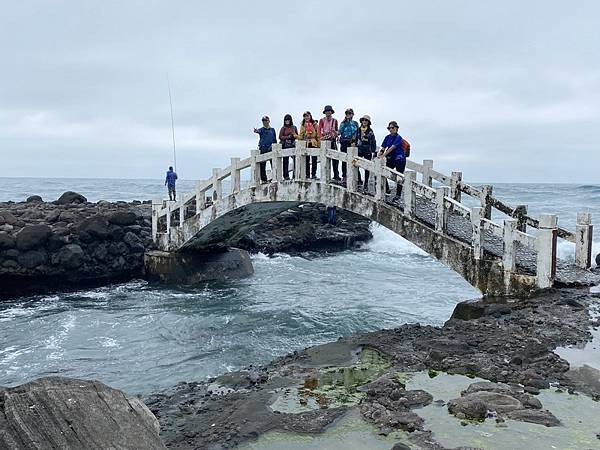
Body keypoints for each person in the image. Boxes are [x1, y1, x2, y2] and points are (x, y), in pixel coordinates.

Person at [378, 121, 409, 200]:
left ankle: (398, 195)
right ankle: (387, 189)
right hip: (391, 158)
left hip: (400, 159)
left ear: (396, 128)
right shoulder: (387, 137)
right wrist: (380, 154)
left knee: (399, 177)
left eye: (392, 128)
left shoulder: (399, 138)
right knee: (381, 170)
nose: (391, 129)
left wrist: (383, 156)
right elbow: (383, 148)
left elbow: (392, 148)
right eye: (389, 128)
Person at [317, 105, 339, 180]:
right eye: (327, 111)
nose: (328, 113)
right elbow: (319, 130)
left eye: (329, 111)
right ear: (325, 112)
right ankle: (325, 176)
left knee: (335, 159)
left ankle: (336, 175)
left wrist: (334, 133)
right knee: (325, 159)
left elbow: (337, 132)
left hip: (332, 141)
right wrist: (321, 137)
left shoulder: (335, 121)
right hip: (324, 142)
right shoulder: (322, 120)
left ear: (331, 112)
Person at [337, 108, 358, 184]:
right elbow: (339, 132)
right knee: (344, 160)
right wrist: (335, 133)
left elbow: (357, 133)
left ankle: (353, 177)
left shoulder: (355, 123)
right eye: (347, 113)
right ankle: (344, 177)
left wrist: (354, 141)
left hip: (352, 143)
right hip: (344, 142)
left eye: (350, 113)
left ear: (352, 114)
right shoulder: (343, 123)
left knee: (353, 160)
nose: (348, 115)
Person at [356, 115, 376, 191]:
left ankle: (366, 183)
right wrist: (353, 143)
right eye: (363, 120)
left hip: (367, 150)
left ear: (368, 122)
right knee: (354, 162)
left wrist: (374, 151)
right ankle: (359, 179)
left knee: (367, 167)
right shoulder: (358, 130)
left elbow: (373, 141)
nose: (364, 121)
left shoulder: (370, 131)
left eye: (366, 120)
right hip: (359, 149)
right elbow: (355, 138)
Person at [253, 116, 277, 182]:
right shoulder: (261, 129)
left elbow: (274, 139)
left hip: (271, 148)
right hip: (263, 148)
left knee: (274, 164)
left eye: (266, 120)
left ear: (269, 121)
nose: (264, 122)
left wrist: (276, 146)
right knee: (262, 165)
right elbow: (258, 131)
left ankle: (275, 177)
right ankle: (264, 180)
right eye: (263, 121)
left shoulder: (272, 130)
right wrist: (256, 131)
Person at [298, 111, 319, 178]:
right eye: (305, 116)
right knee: (306, 159)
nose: (306, 117)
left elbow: (318, 134)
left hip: (313, 142)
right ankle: (307, 174)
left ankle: (313, 174)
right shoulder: (303, 125)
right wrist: (296, 136)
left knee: (314, 159)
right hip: (306, 143)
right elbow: (301, 135)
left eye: (307, 116)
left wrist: (319, 143)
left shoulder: (314, 124)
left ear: (310, 116)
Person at [279, 114, 298, 180]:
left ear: (290, 120)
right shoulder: (283, 128)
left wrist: (293, 136)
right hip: (285, 146)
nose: (287, 121)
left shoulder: (294, 127)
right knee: (285, 161)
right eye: (286, 120)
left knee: (296, 160)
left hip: (292, 145)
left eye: (288, 120)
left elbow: (297, 135)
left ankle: (295, 174)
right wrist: (287, 137)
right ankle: (286, 175)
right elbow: (280, 137)